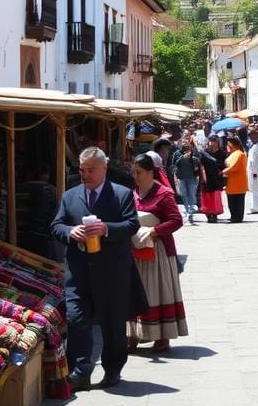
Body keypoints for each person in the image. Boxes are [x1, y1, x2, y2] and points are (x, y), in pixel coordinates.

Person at [51, 147, 148, 391]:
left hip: (112, 272)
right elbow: (56, 225)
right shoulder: (70, 195)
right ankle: (80, 371)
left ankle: (113, 369)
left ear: (104, 168)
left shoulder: (121, 194)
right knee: (76, 319)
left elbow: (131, 224)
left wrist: (106, 229)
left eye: (90, 170)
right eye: (82, 170)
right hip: (79, 271)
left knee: (112, 324)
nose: (85, 174)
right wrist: (69, 232)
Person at [127, 154, 188, 352]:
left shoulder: (163, 194)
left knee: (158, 292)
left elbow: (176, 220)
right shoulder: (132, 193)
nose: (135, 176)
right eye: (133, 172)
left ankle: (162, 336)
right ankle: (133, 334)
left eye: (139, 172)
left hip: (158, 251)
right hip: (136, 249)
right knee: (136, 292)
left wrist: (155, 232)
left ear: (151, 172)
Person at [172, 135, 205, 224]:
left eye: (186, 143)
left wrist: (200, 177)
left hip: (192, 179)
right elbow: (174, 166)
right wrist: (175, 180)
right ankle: (188, 210)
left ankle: (189, 212)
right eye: (183, 143)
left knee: (191, 195)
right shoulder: (177, 154)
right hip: (181, 178)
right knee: (184, 195)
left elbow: (199, 166)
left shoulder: (194, 154)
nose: (184, 144)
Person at [199, 134, 227, 223]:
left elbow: (224, 164)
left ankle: (214, 215)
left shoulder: (222, 153)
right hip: (206, 176)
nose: (212, 143)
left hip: (216, 177)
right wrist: (203, 176)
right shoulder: (204, 152)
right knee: (206, 196)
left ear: (218, 142)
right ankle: (208, 214)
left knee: (215, 196)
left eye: (214, 141)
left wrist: (222, 172)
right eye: (211, 141)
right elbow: (201, 165)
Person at [221, 136, 249, 223]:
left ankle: (237, 217)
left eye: (228, 144)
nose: (227, 146)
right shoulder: (234, 154)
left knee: (237, 202)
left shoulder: (239, 154)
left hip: (237, 183)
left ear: (232, 145)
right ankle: (234, 216)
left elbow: (233, 167)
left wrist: (223, 171)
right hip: (232, 183)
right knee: (232, 202)